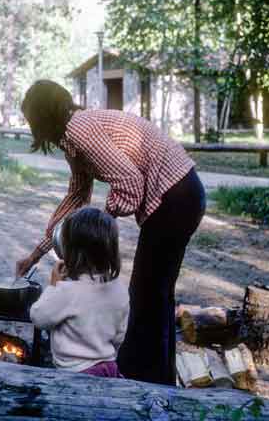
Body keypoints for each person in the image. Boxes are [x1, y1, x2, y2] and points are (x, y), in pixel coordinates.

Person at [16, 79, 205, 385]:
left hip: (176, 196)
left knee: (146, 296)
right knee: (156, 295)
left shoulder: (80, 129)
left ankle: (143, 385)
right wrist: (35, 255)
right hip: (182, 194)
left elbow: (130, 183)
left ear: (43, 116)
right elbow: (76, 198)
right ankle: (159, 381)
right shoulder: (73, 138)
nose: (31, 128)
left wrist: (97, 224)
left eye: (31, 121)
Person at [29, 207, 128, 378]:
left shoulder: (67, 291)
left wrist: (54, 284)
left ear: (70, 251)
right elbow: (120, 336)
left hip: (74, 374)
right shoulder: (119, 288)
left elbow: (39, 318)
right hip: (109, 368)